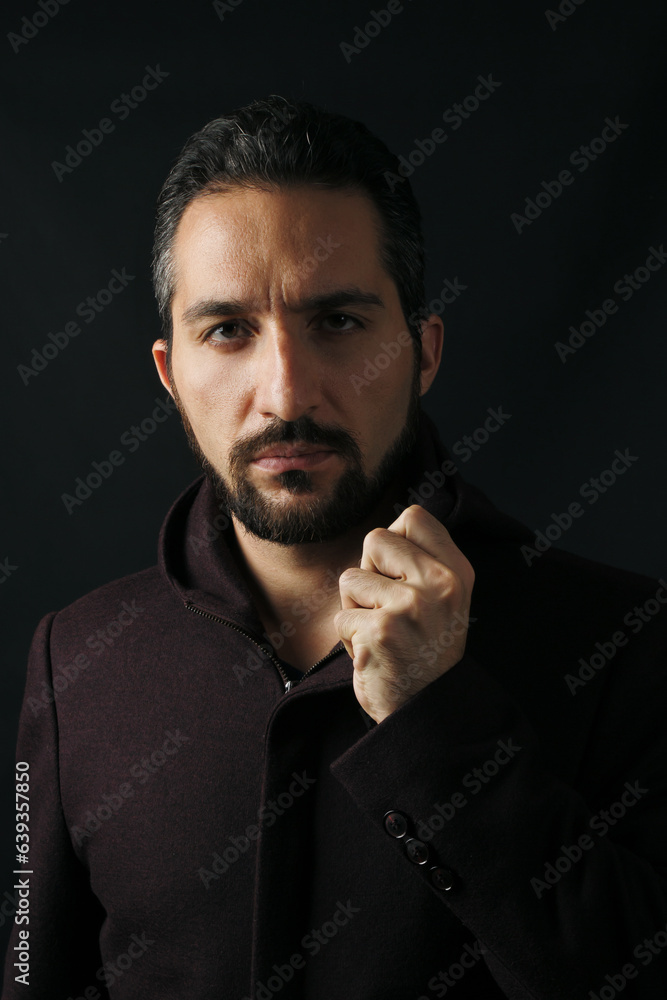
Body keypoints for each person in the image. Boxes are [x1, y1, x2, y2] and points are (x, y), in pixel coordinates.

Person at [3, 94, 667, 1000]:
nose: (285, 391)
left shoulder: (623, 645)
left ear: (421, 351)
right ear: (171, 371)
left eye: (339, 323)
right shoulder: (71, 661)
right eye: (228, 330)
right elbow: (31, 974)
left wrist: (441, 725)